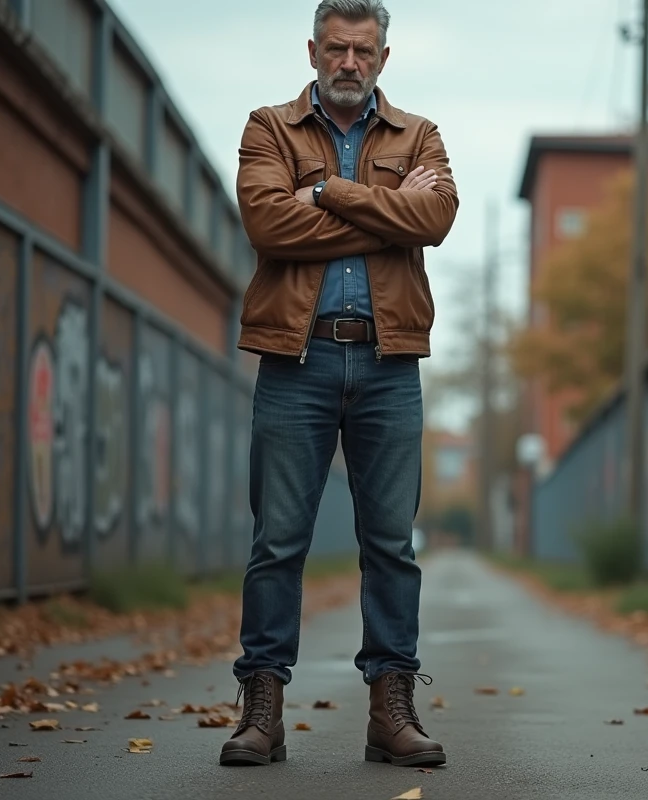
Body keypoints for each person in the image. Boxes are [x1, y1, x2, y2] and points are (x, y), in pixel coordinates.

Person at [219, 0, 457, 769]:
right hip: (298, 360)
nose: (348, 62)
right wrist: (393, 213)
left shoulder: (420, 134)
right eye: (335, 49)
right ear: (313, 51)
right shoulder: (269, 128)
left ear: (383, 57)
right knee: (277, 541)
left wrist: (326, 193)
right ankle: (262, 708)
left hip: (389, 364)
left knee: (391, 545)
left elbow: (439, 216)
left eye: (363, 50)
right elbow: (267, 226)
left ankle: (391, 708)